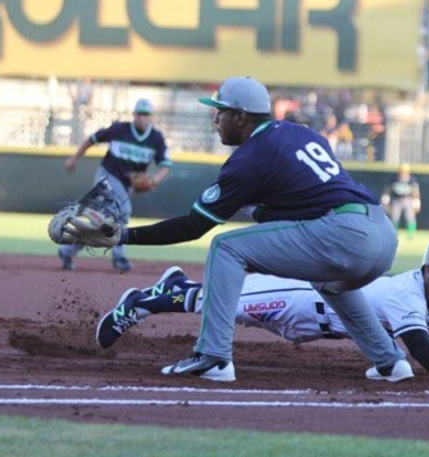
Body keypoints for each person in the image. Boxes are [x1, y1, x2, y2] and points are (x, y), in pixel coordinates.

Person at [110, 76, 407, 383]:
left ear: (240, 117)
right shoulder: (300, 132)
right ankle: (390, 360)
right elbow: (309, 203)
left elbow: (194, 226)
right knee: (326, 280)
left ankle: (213, 356)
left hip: (345, 234)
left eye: (221, 112)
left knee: (226, 247)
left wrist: (124, 234)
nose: (216, 119)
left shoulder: (250, 158)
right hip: (382, 234)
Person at [96, 238, 429, 384]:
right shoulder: (408, 291)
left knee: (395, 368)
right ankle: (150, 299)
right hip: (303, 297)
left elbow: (420, 343)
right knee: (227, 303)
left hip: (319, 322)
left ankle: (177, 286)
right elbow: (417, 343)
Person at [60, 98, 172, 272]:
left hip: (126, 185)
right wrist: (75, 158)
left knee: (103, 225)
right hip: (106, 176)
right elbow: (92, 139)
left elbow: (166, 165)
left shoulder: (156, 138)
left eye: (146, 115)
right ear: (134, 115)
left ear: (151, 117)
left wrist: (155, 179)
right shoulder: (120, 129)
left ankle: (68, 250)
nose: (142, 118)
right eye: (139, 114)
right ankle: (119, 257)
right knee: (123, 210)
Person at [380, 163, 421, 239]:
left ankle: (411, 234)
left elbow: (415, 192)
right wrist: (385, 201)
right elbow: (388, 190)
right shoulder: (394, 178)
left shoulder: (412, 179)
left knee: (410, 217)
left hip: (408, 199)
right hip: (397, 199)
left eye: (405, 172)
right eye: (402, 172)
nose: (403, 174)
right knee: (395, 217)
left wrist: (417, 203)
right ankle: (393, 233)